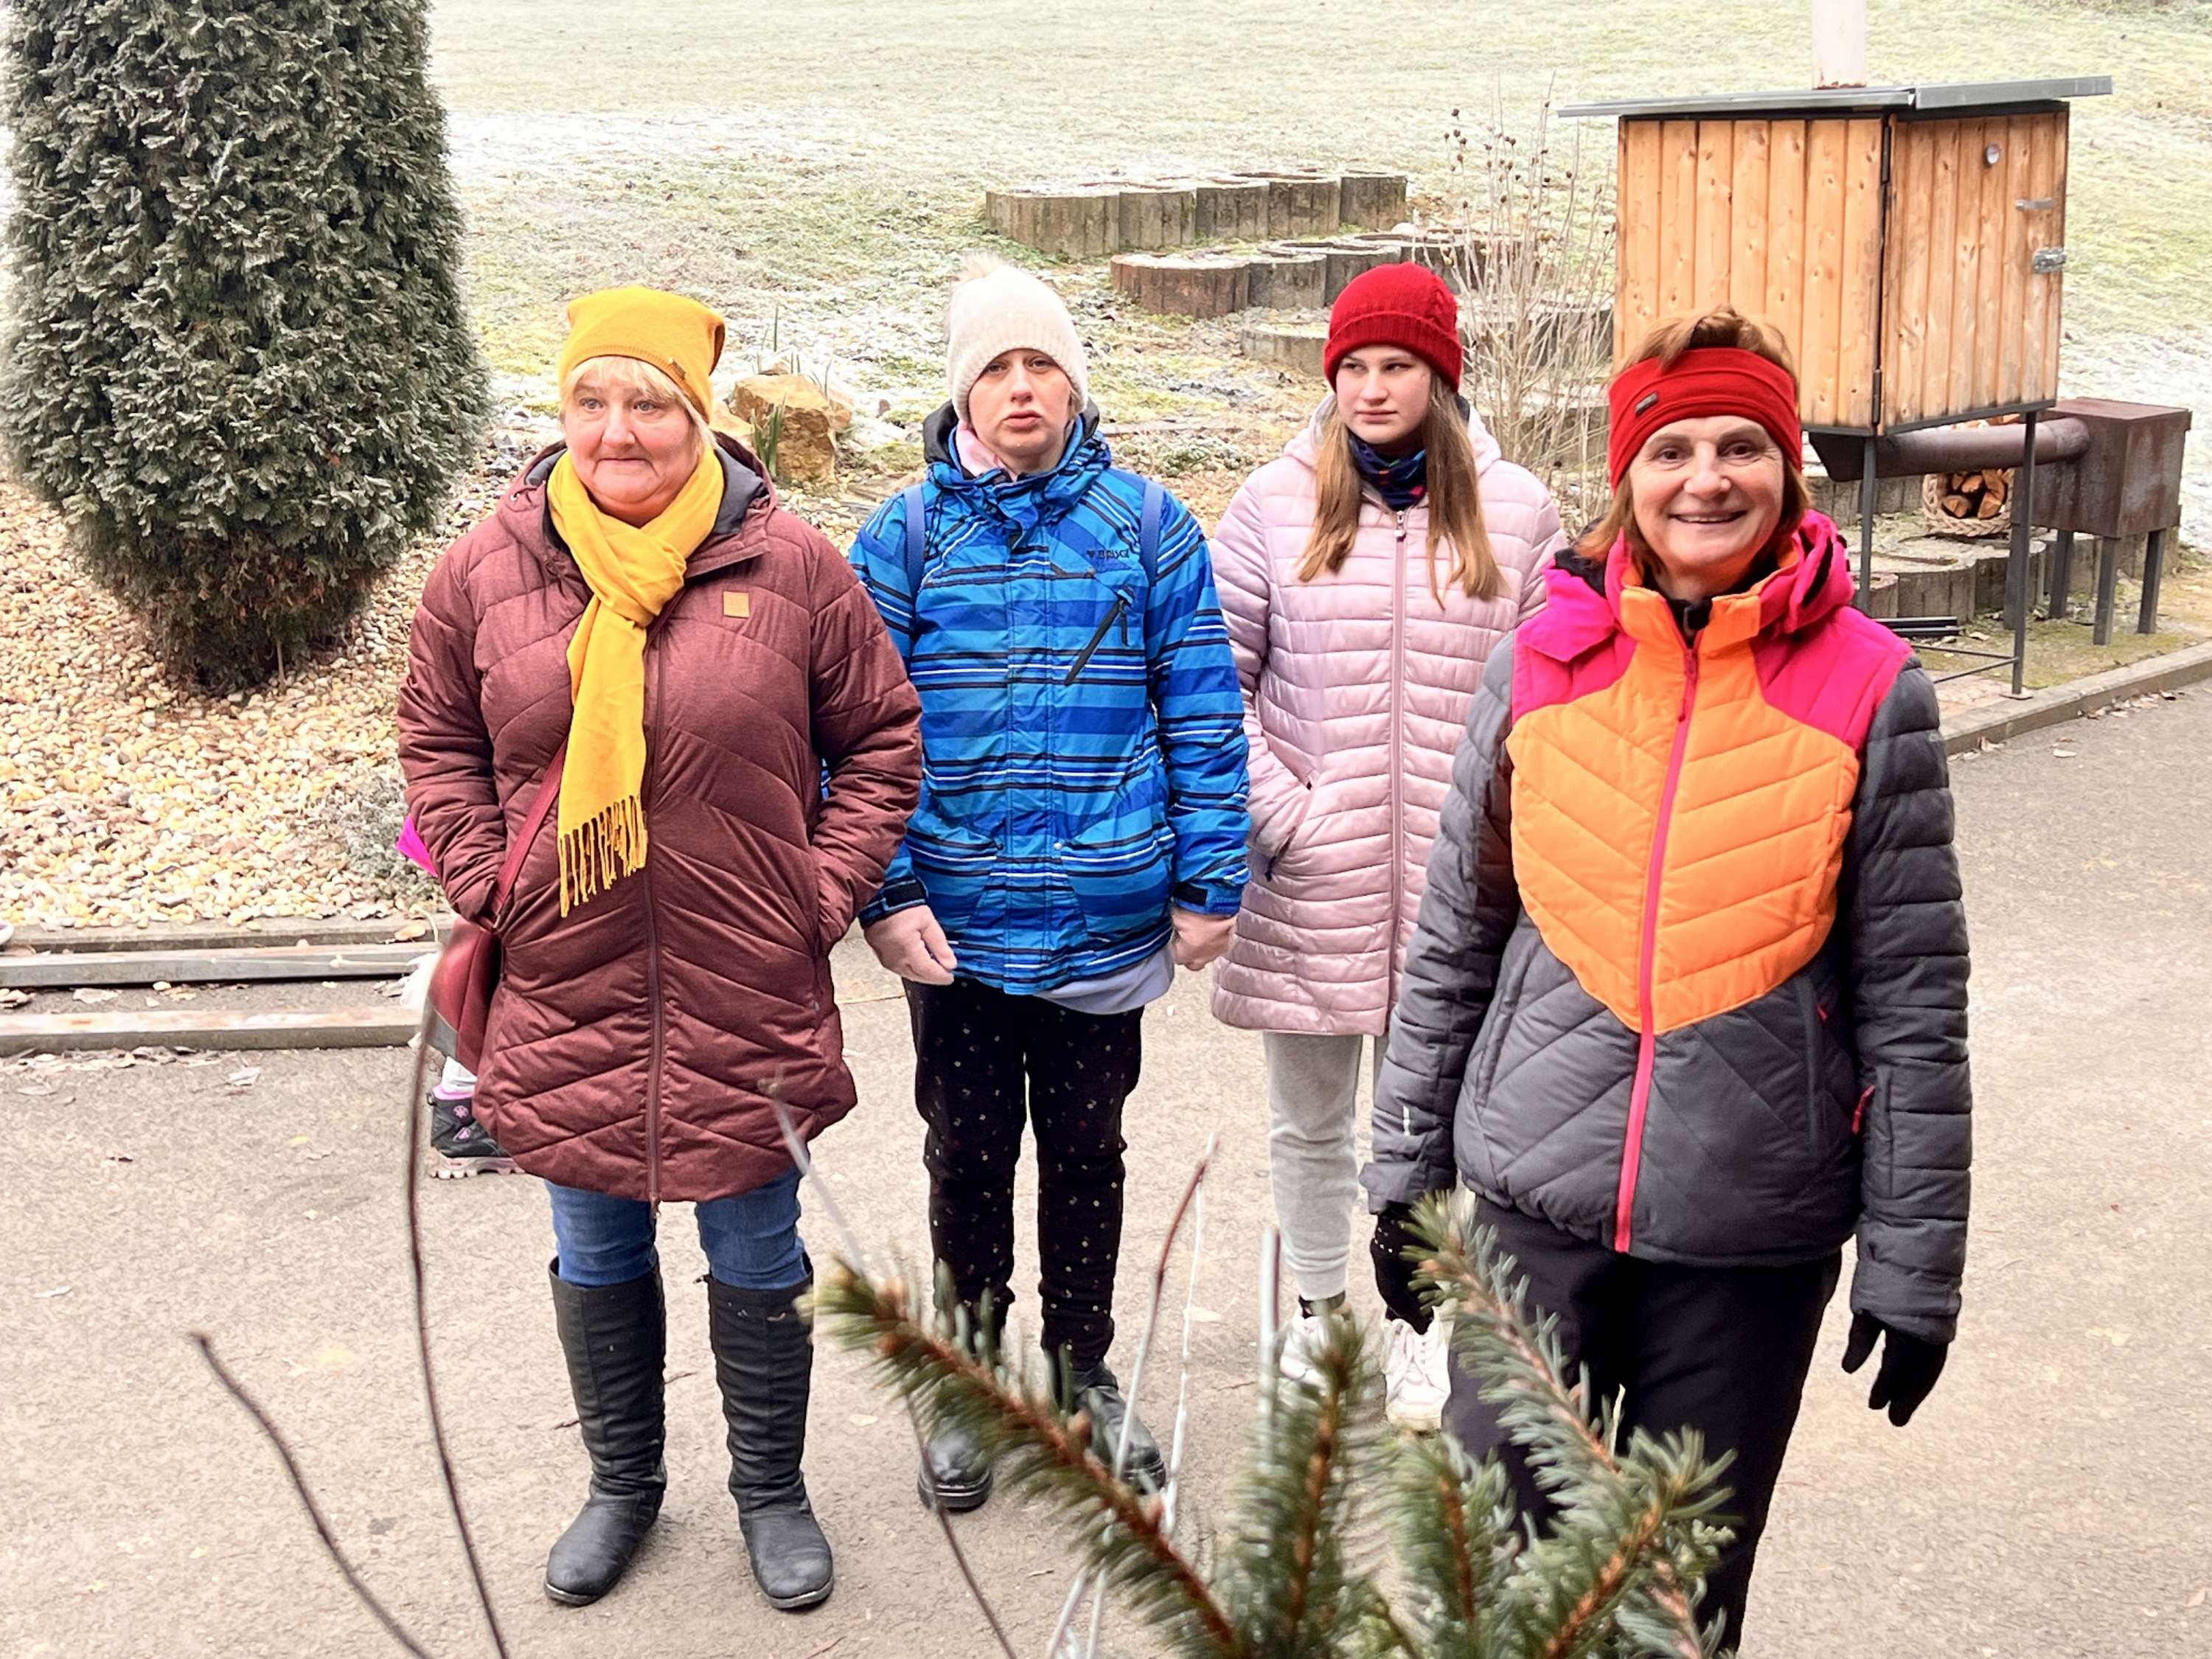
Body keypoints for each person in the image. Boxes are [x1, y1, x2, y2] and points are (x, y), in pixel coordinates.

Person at [1363, 308, 1971, 1647]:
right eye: (1673, 449)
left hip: (1747, 1239)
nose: (1707, 479)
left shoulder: (1875, 691)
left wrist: (1915, 1263)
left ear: (1788, 469)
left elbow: (1916, 1008)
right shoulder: (1540, 665)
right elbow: (1455, 940)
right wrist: (1404, 1169)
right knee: (1500, 1589)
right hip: (1531, 1211)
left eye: (1742, 446)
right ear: (1626, 477)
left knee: (1674, 1610)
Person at [397, 285, 922, 1614]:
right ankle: (622, 1485)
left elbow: (879, 742)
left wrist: (814, 895)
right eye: (591, 400)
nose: (617, 430)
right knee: (594, 1242)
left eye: (648, 402)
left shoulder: (792, 567)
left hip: (744, 976)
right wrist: (489, 881)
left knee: (755, 1244)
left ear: (698, 415)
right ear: (562, 409)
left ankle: (771, 1491)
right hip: (564, 975)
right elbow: (438, 739)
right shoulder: (487, 569)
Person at [848, 254, 1249, 1510]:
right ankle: (971, 1381)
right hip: (956, 925)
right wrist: (886, 893)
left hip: (1103, 913)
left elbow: (1202, 710)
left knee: (1087, 1153)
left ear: (1075, 384)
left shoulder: (1148, 525)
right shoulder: (904, 537)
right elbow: (856, 734)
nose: (1021, 387)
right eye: (996, 369)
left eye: (1042, 365)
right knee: (966, 1155)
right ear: (961, 393)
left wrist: (1210, 876)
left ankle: (1083, 1372)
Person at [1206, 262, 1566, 1431]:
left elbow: (1554, 697)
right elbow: (1214, 689)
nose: (1370, 387)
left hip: (1462, 889)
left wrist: (1499, 837)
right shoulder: (1273, 505)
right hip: (1314, 876)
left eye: (1396, 364)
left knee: (1434, 1128)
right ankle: (1319, 1314)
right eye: (1352, 365)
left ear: (1440, 375)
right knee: (1310, 1122)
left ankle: (1423, 1323)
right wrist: (1290, 816)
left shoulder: (1518, 512)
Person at [395, 815, 514, 1177]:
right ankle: (468, 1112)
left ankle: (464, 1105)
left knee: (486, 960)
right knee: (493, 968)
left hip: (473, 830)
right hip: (493, 834)